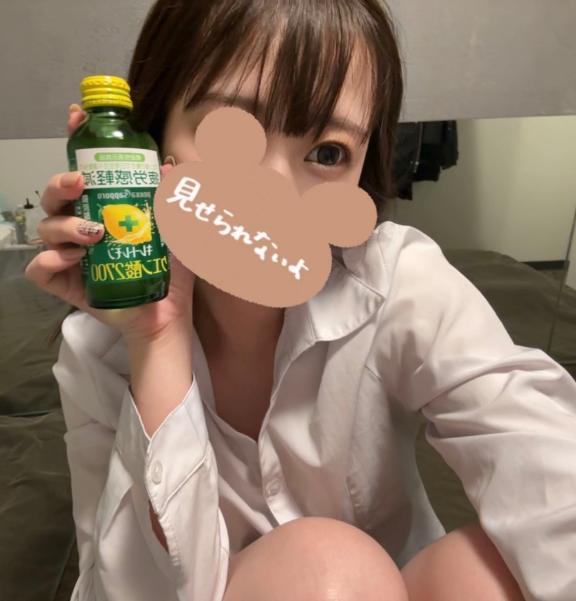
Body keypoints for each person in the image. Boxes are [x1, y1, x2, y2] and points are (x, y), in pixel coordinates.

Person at [25, 1, 576, 600]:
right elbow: (131, 588)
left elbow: (538, 450)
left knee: (485, 572)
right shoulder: (100, 346)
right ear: (152, 139)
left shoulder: (397, 279)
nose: (275, 195)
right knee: (327, 567)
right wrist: (156, 339)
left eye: (329, 153)